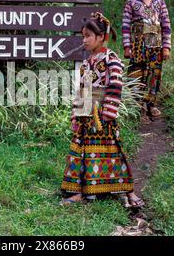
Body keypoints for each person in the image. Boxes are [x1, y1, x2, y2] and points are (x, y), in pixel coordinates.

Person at [60, 12, 144, 208]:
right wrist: (75, 114)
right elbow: (81, 90)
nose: (85, 40)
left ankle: (129, 191)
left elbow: (115, 86)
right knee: (81, 151)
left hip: (102, 115)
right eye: (83, 36)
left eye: (88, 36)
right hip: (85, 115)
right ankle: (79, 192)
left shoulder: (111, 59)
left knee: (113, 151)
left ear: (100, 37)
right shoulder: (86, 63)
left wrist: (108, 113)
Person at [122, 0, 171, 119]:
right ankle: (137, 106)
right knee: (137, 74)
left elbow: (166, 25)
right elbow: (125, 26)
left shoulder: (159, 3)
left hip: (156, 46)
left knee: (154, 74)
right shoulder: (131, 3)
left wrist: (167, 46)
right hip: (137, 46)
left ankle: (151, 104)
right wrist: (127, 46)